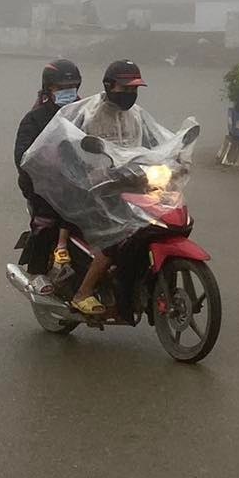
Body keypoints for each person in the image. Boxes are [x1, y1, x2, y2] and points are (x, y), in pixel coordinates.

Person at [64, 59, 163, 317]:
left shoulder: (137, 114)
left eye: (134, 89)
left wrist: (173, 159)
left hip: (132, 184)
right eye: (125, 88)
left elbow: (155, 143)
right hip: (97, 190)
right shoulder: (89, 113)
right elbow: (72, 149)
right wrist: (91, 170)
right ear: (109, 85)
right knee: (116, 240)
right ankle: (82, 294)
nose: (130, 94)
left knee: (160, 223)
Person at [15, 59, 82, 284]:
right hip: (45, 186)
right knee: (47, 222)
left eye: (71, 88)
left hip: (84, 181)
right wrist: (48, 175)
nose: (67, 93)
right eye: (61, 88)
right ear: (48, 88)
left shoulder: (85, 114)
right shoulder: (35, 119)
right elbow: (23, 159)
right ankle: (36, 275)